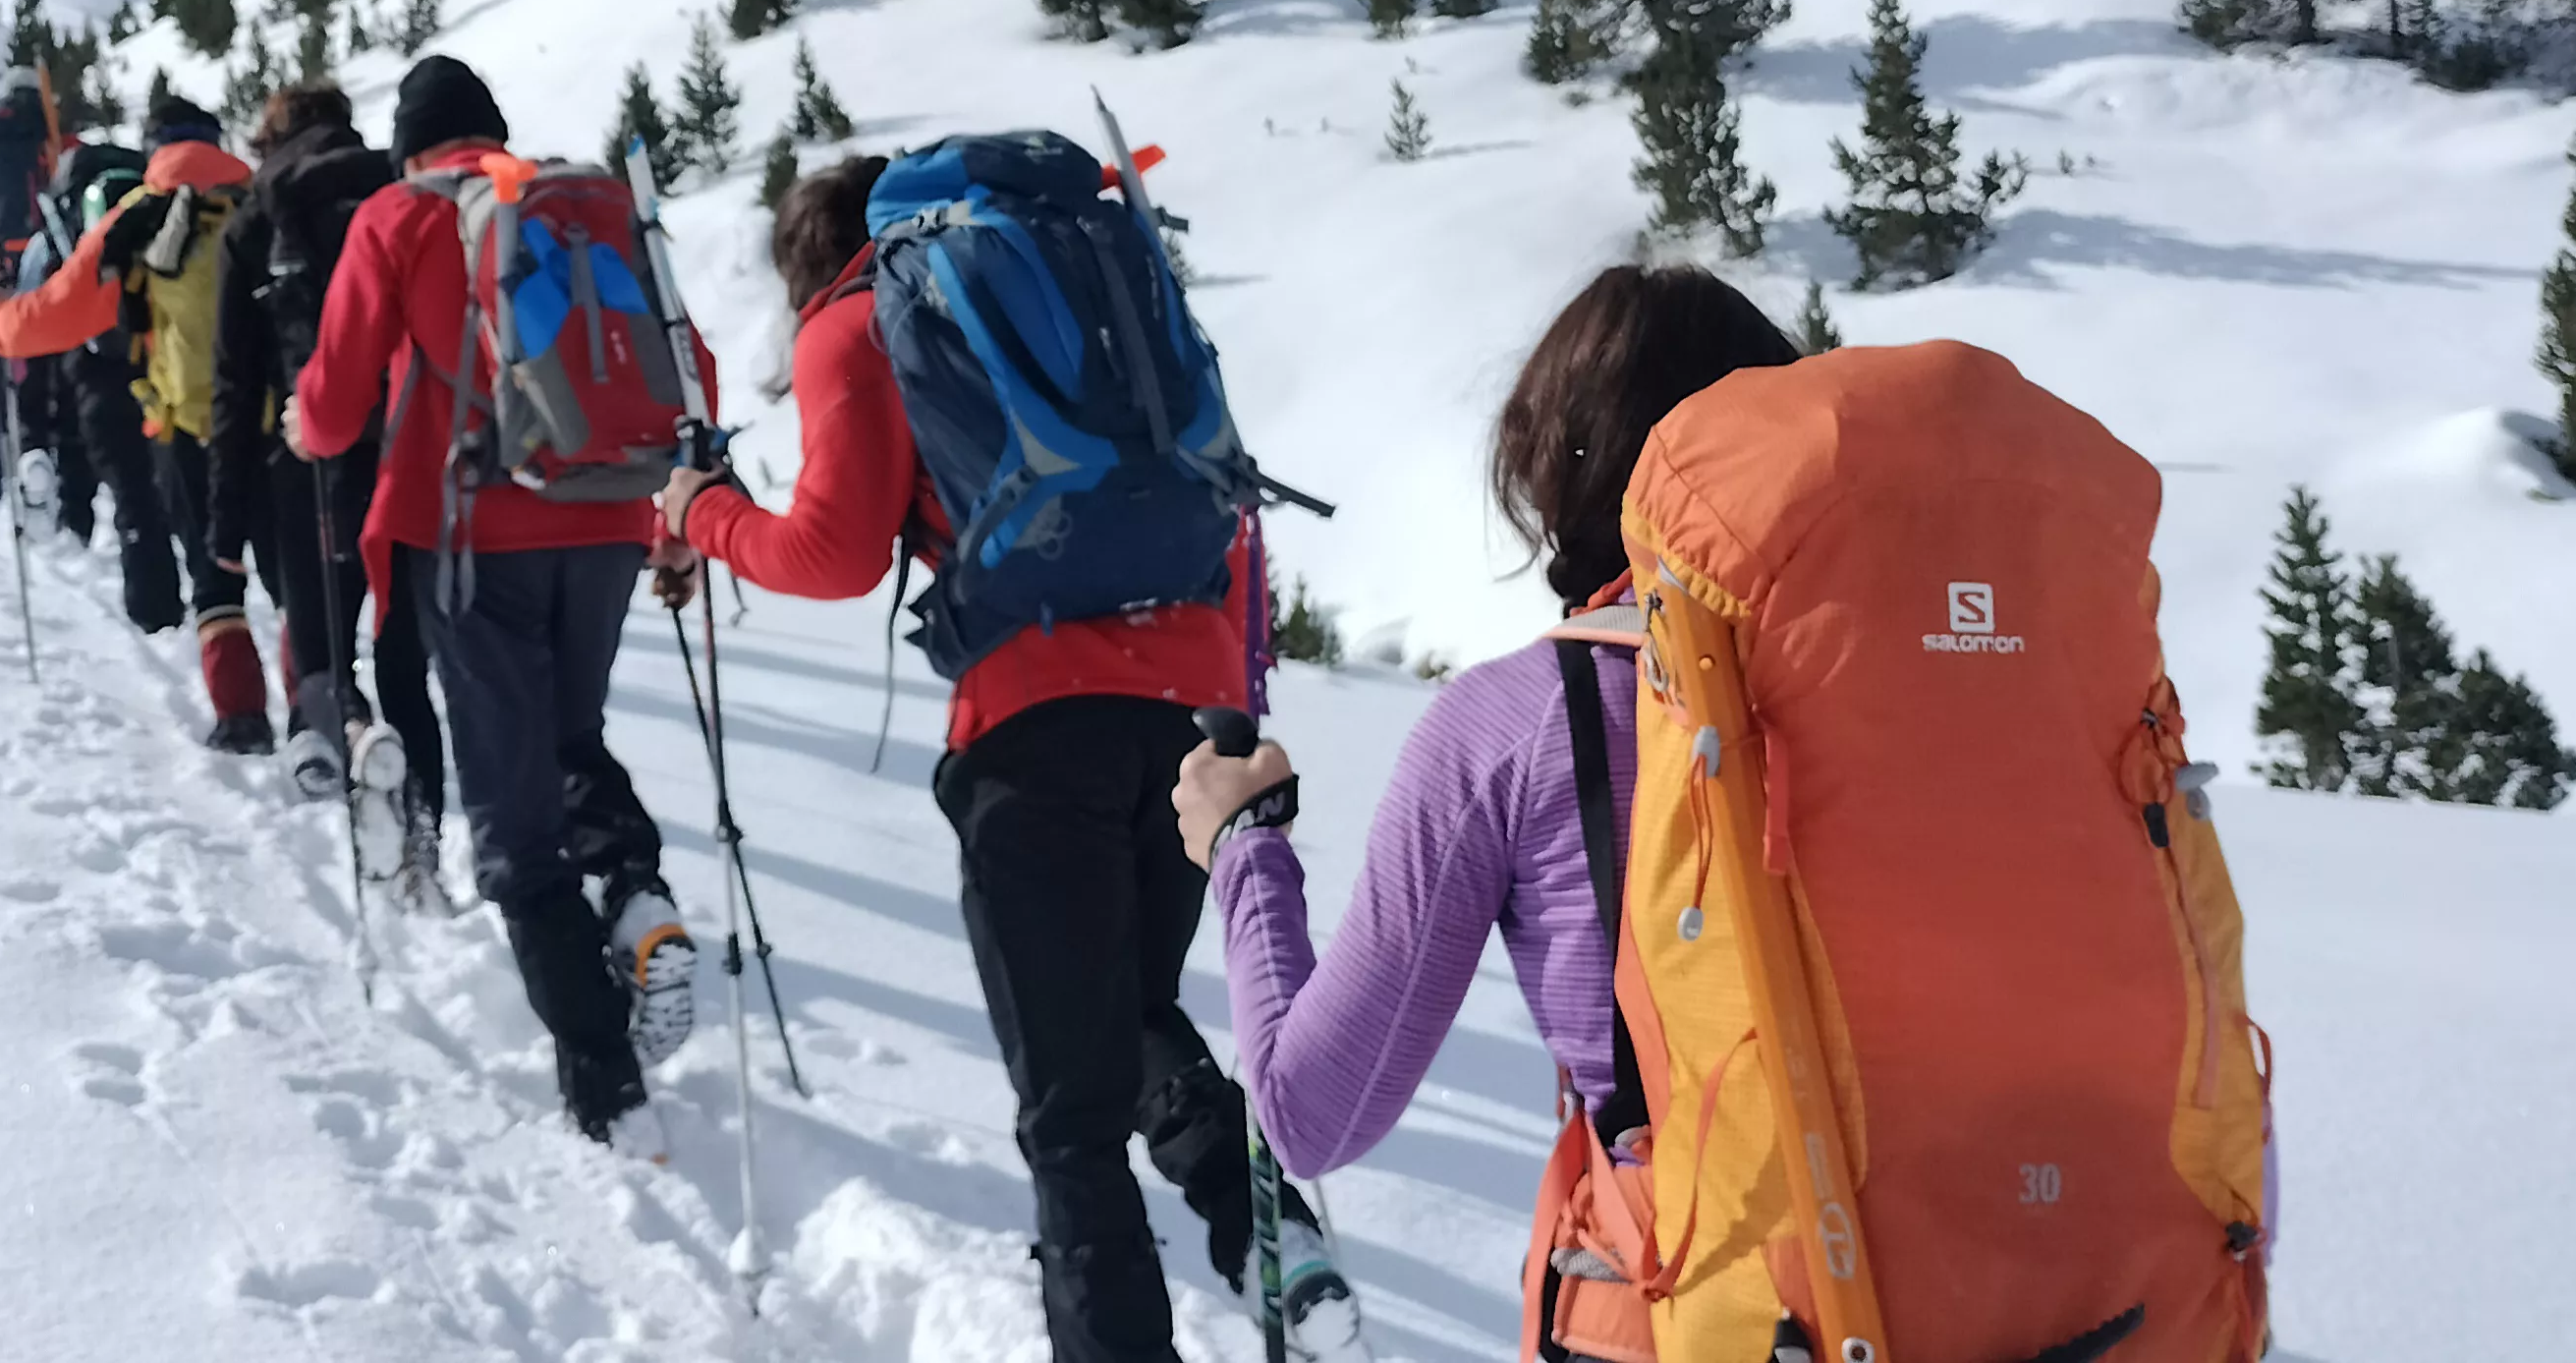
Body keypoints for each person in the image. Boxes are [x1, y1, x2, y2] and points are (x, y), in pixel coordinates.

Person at [660, 154, 1345, 1363]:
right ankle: (1274, 1240)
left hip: (1036, 727)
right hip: (1190, 715)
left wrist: (705, 513)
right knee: (1127, 1011)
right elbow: (1217, 497)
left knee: (1070, 1122)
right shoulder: (1089, 294)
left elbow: (834, 552)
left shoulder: (856, 323)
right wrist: (1226, 710)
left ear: (814, 262)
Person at [1167, 267, 1798, 1363]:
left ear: (1558, 465)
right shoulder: (1931, 683)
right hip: (2026, 1298)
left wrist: (1243, 849)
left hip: (1720, 1309)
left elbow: (1314, 1111)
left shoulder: (1520, 720)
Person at [290, 52, 700, 1154]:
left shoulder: (401, 215)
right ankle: (635, 890)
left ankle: (603, 1079)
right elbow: (679, 364)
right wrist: (671, 521)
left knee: (513, 822)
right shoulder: (585, 207)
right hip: (609, 518)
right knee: (573, 737)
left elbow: (333, 401)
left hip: (476, 538)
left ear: (408, 143)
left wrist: (301, 426)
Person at [0, 96, 271, 749]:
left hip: (187, 423)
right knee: (296, 580)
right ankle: (325, 717)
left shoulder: (138, 217)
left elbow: (50, 316)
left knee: (213, 575)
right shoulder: (263, 199)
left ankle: (243, 712)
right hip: (281, 420)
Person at [212, 82, 438, 880]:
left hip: (303, 461)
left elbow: (235, 388)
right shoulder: (395, 190)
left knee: (321, 651)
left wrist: (223, 526)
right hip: (414, 452)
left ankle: (347, 730)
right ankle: (424, 835)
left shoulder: (257, 218)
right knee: (407, 653)